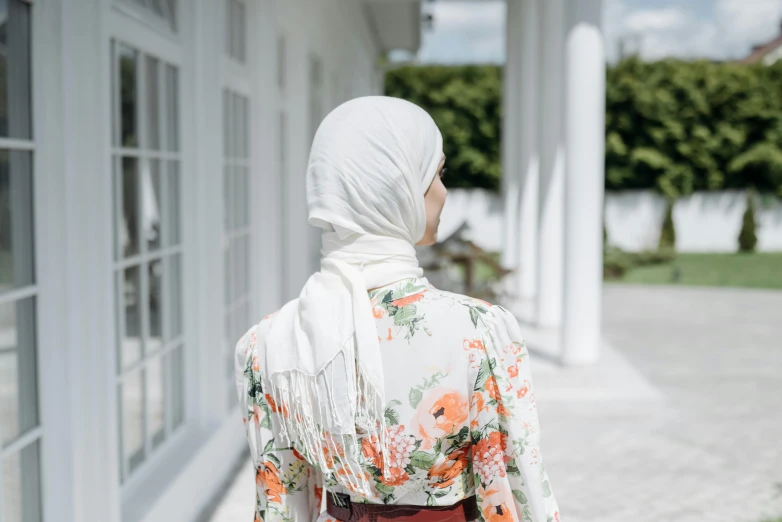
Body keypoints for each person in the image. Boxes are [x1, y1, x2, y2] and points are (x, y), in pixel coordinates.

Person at [234, 96, 560, 522]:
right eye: (437, 174)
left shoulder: (271, 342)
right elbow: (514, 487)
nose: (444, 192)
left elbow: (277, 505)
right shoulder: (477, 330)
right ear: (398, 185)